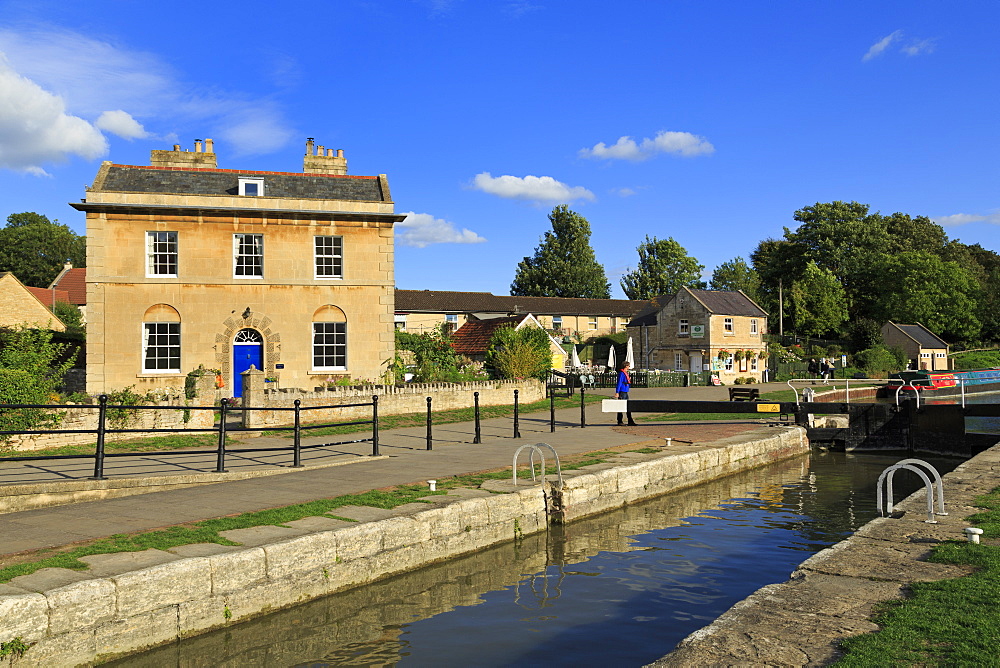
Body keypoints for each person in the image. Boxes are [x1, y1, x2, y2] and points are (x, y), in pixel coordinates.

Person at [615, 361, 637, 426]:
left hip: (625, 391)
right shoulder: (621, 373)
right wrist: (617, 392)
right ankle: (620, 420)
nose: (629, 367)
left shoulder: (625, 373)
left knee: (628, 406)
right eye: (628, 366)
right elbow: (619, 383)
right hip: (622, 391)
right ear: (626, 366)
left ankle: (630, 420)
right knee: (621, 407)